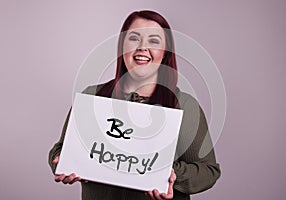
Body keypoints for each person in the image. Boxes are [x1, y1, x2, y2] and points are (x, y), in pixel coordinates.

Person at [48, 10, 221, 200]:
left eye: (153, 41)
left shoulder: (185, 106)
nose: (142, 47)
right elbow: (60, 150)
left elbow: (209, 171)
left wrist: (171, 174)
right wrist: (63, 164)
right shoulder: (92, 97)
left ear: (165, 53)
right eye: (134, 38)